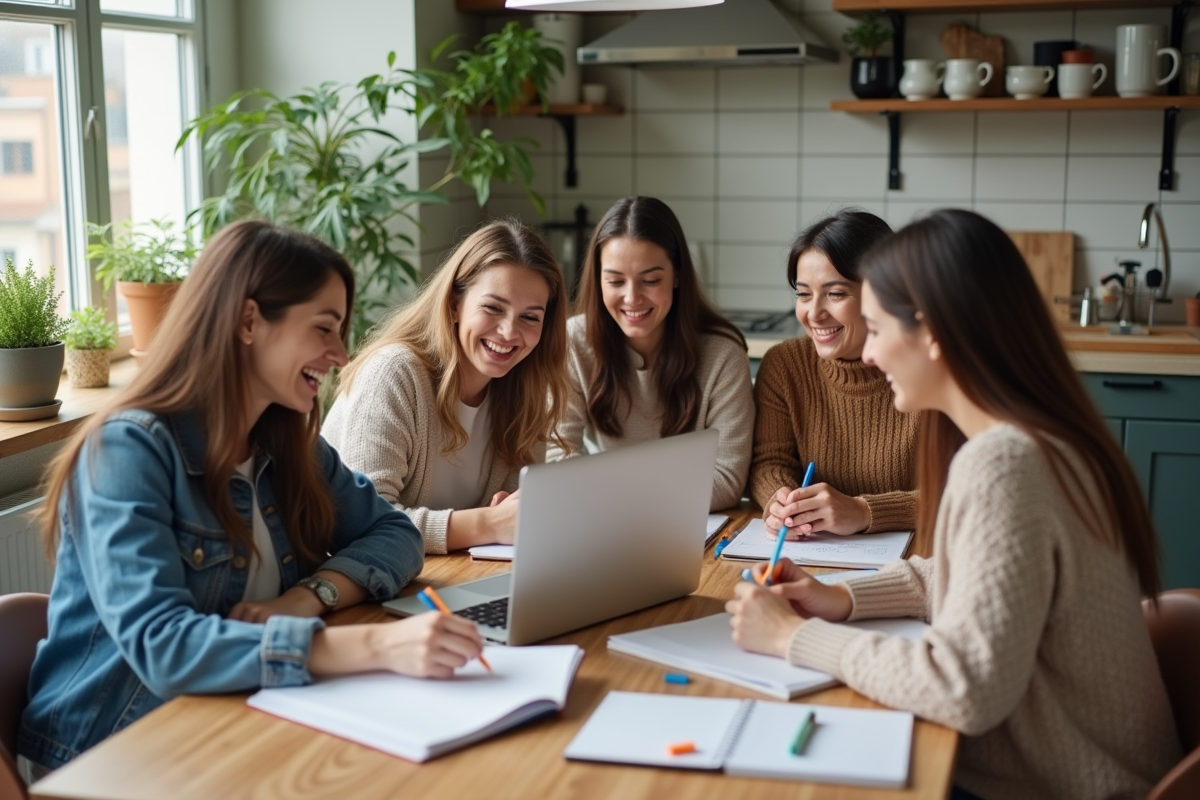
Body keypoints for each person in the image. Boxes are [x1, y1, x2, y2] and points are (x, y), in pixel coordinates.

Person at [727, 209, 1180, 800]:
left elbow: (963, 688)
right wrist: (838, 597)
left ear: (933, 334)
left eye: (878, 328)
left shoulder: (1003, 464)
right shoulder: (1032, 437)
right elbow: (976, 574)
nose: (869, 355)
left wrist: (793, 638)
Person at [19, 221, 483, 778]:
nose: (339, 354)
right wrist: (376, 648)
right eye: (324, 328)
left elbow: (396, 534)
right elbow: (163, 646)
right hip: (116, 754)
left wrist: (311, 596)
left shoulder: (284, 442)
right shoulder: (127, 452)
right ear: (247, 322)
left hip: (244, 718)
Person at [323, 219, 569, 554]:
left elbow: (516, 517)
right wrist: (488, 523)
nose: (510, 332)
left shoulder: (526, 390)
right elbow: (363, 525)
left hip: (451, 576)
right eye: (493, 308)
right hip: (360, 585)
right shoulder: (393, 373)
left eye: (530, 317)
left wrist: (509, 517)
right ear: (455, 304)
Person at [549, 196, 753, 511]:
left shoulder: (723, 354)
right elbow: (557, 459)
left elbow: (727, 478)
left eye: (650, 280)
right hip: (610, 520)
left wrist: (612, 491)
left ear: (678, 276)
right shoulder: (574, 341)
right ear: (598, 279)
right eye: (615, 281)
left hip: (688, 524)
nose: (632, 298)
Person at [750, 209, 921, 546]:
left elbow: (965, 490)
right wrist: (782, 502)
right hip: (811, 553)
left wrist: (864, 511)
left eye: (836, 293)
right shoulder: (785, 365)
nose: (814, 313)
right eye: (803, 294)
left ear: (884, 293)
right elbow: (769, 462)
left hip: (919, 556)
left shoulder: (924, 369)